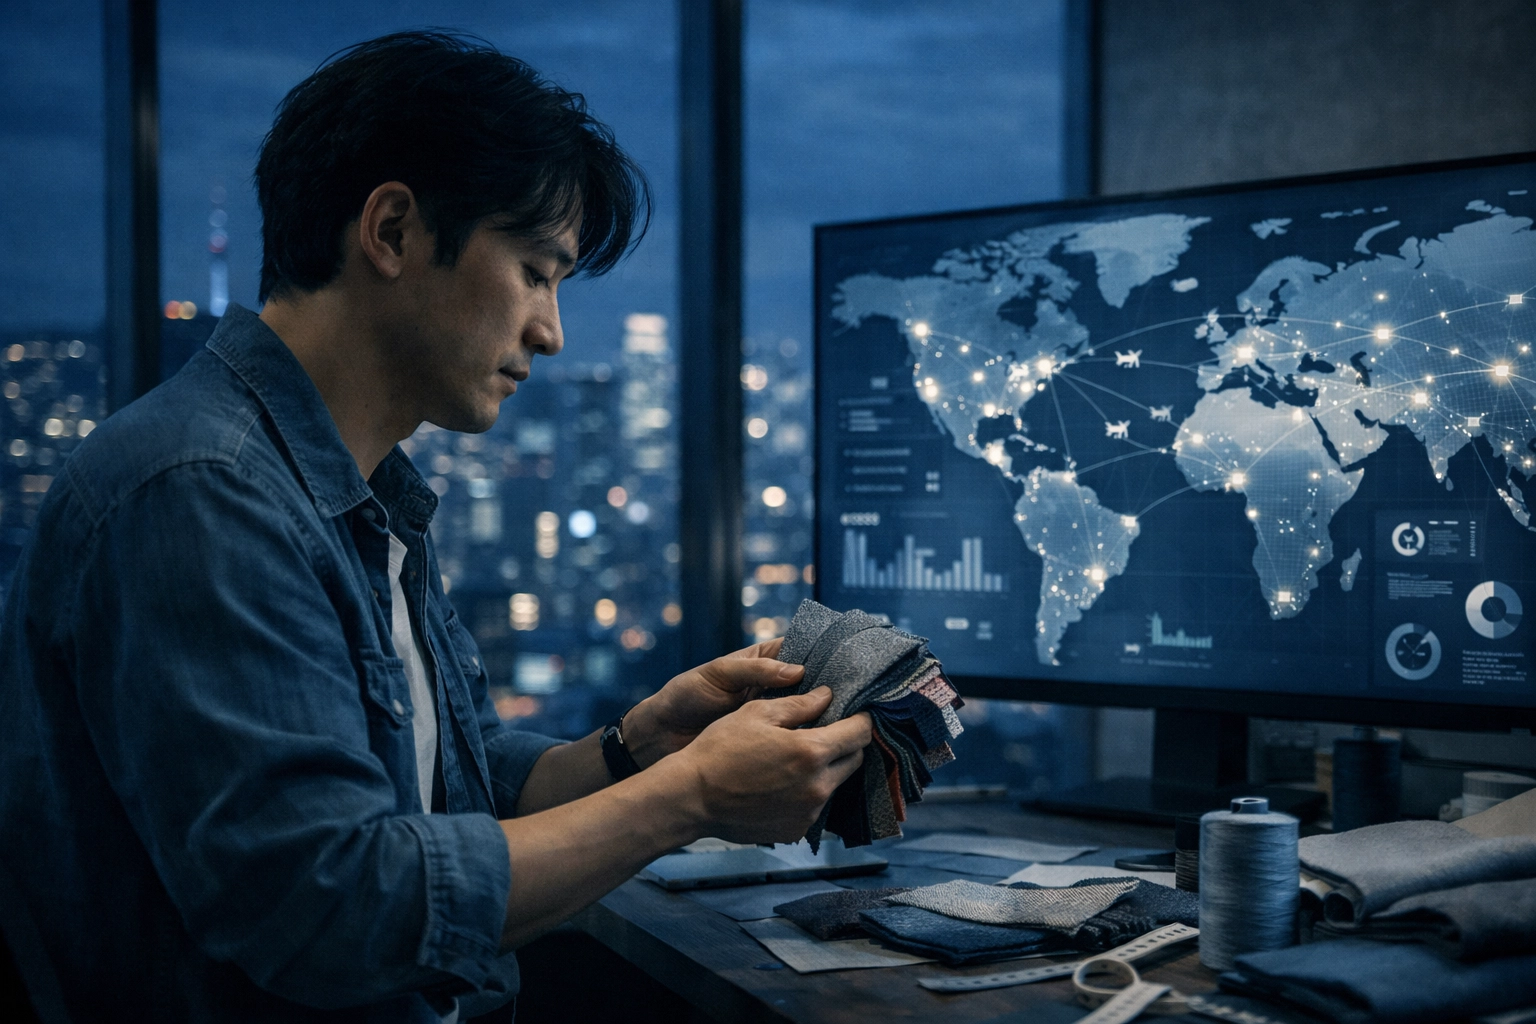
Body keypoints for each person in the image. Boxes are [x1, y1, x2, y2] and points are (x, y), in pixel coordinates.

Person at [0, 31, 870, 1022]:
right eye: (537, 270)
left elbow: (444, 792)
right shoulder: (202, 491)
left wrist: (642, 745)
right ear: (396, 230)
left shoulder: (360, 494)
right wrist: (691, 800)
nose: (550, 329)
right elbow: (329, 903)